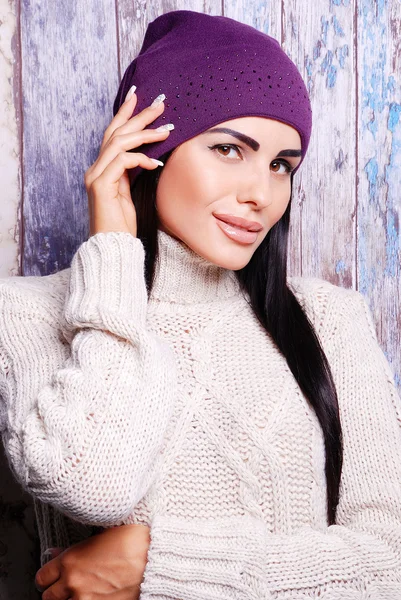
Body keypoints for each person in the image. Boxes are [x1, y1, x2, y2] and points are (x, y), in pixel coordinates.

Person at [0, 9, 400, 600]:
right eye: (229, 149)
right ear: (145, 149)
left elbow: (391, 560)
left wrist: (161, 565)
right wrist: (112, 249)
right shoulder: (27, 313)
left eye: (280, 165)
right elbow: (92, 483)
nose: (261, 194)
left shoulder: (330, 320)